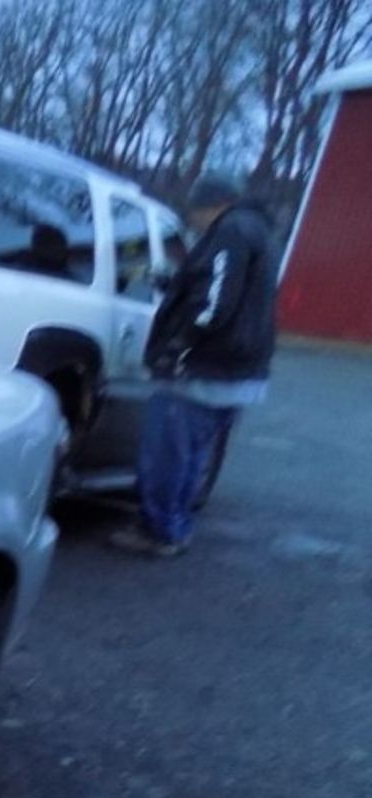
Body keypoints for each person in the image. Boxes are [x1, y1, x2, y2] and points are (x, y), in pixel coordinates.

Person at [111, 172, 278, 558]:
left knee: (167, 454)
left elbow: (214, 303)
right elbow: (226, 290)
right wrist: (178, 284)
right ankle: (175, 526)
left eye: (196, 211)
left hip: (203, 370)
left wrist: (178, 346)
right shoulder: (260, 233)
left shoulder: (231, 231)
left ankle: (160, 531)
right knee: (192, 455)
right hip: (236, 372)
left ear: (213, 205)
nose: (194, 220)